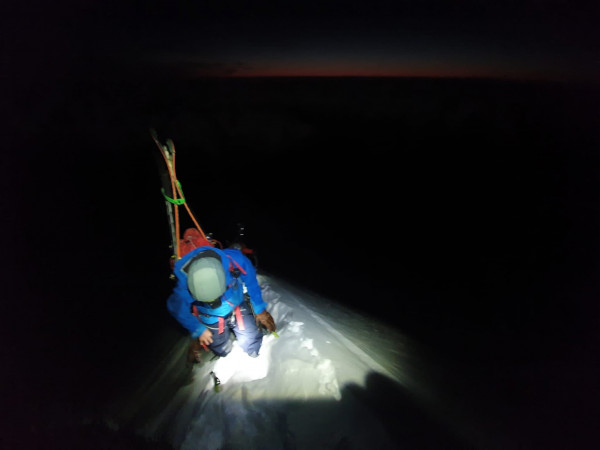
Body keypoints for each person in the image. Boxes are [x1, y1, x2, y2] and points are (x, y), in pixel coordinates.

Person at [167, 245, 276, 358]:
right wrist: (198, 329)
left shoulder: (233, 261)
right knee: (221, 349)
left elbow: (250, 280)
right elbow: (176, 307)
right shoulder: (185, 285)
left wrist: (259, 308)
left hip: (236, 305)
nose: (215, 302)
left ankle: (254, 355)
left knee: (251, 339)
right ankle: (225, 355)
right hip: (210, 316)